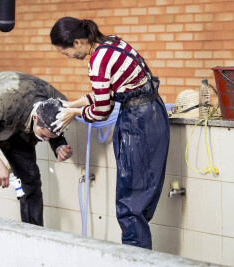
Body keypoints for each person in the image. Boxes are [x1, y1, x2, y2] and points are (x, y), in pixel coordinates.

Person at [50, 17, 170, 249]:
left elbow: (102, 111)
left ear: (77, 42)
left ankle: (136, 261)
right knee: (142, 200)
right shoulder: (112, 43)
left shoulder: (97, 60)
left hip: (138, 122)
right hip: (154, 112)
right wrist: (74, 103)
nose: (70, 58)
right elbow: (111, 90)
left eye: (66, 53)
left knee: (130, 205)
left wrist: (74, 113)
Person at [0, 71, 73, 226]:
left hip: (17, 124)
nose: (45, 140)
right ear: (35, 118)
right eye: (43, 136)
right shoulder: (3, 102)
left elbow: (54, 129)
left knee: (31, 181)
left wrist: (58, 145)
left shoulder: (60, 104)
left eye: (49, 138)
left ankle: (33, 234)